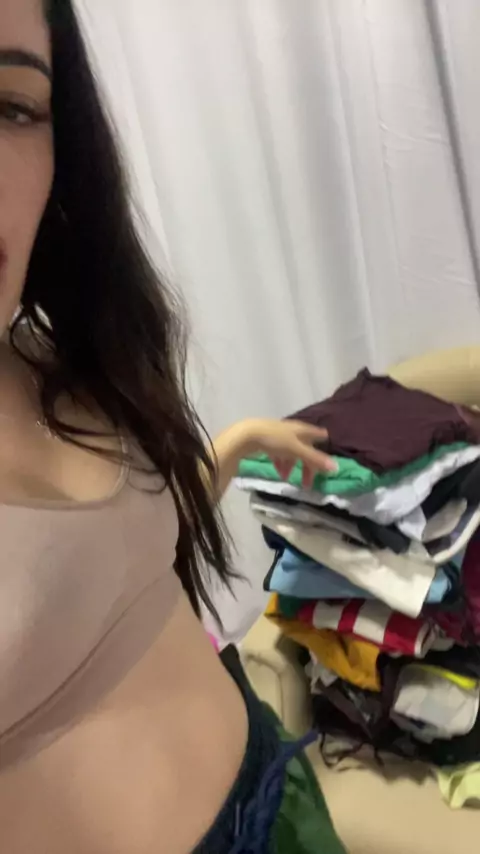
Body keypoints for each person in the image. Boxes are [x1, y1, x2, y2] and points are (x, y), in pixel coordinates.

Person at [0, 1, 346, 852]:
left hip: (279, 791)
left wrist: (237, 443)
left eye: (12, 106)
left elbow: (113, 568)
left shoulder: (52, 360)